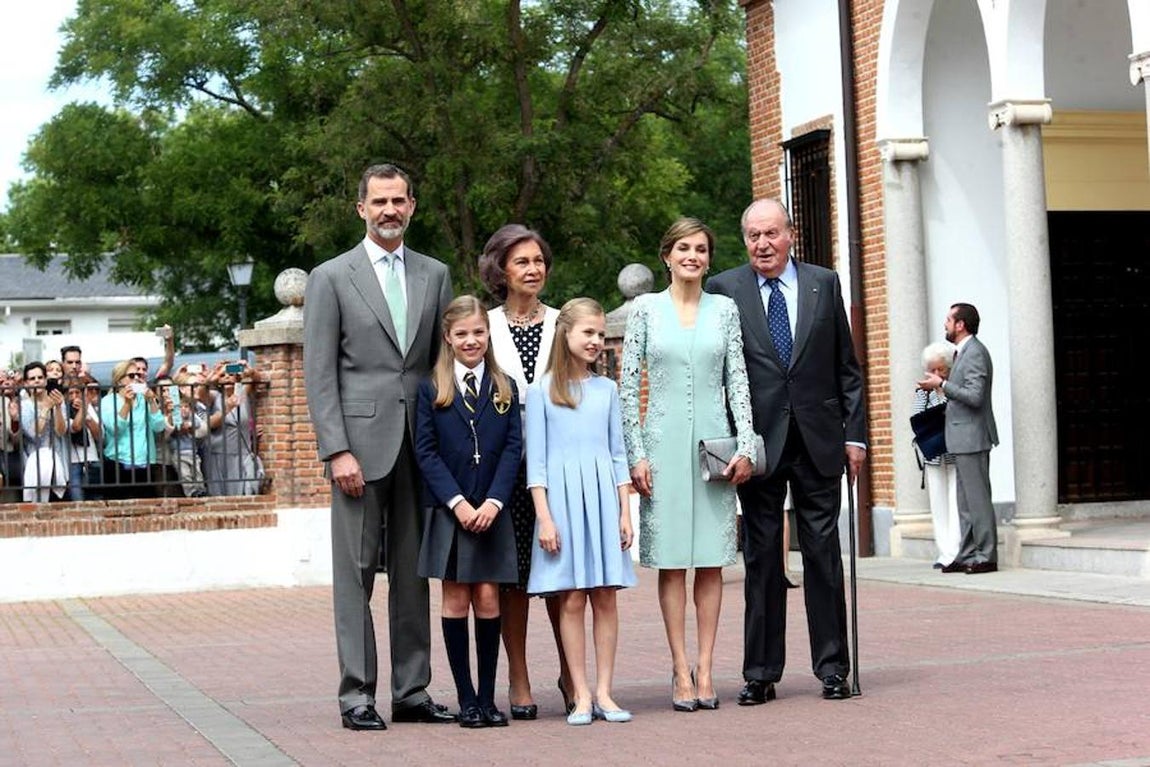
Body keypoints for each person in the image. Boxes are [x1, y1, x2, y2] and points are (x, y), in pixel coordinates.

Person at [303, 163, 454, 731]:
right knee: (356, 575)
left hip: (421, 445)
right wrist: (336, 449)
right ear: (361, 208)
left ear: (412, 205)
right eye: (379, 201)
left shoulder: (435, 273)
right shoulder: (331, 277)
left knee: (414, 575)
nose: (389, 210)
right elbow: (319, 372)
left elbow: (441, 360)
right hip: (358, 450)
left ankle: (412, 691)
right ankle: (357, 695)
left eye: (399, 200)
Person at [705, 198, 866, 703]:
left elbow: (847, 367)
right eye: (753, 235)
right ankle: (760, 671)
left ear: (791, 234)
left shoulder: (825, 283)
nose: (762, 244)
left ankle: (833, 668)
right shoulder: (724, 289)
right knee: (762, 559)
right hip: (759, 445)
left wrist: (854, 435)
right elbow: (718, 375)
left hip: (819, 442)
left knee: (822, 555)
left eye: (771, 233)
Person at [620, 217, 756, 712]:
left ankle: (706, 665)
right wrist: (635, 453)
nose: (692, 256)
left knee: (712, 563)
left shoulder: (724, 310)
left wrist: (747, 445)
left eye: (700, 248)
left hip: (715, 446)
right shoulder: (644, 311)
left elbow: (737, 379)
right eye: (683, 248)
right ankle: (679, 667)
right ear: (666, 255)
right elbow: (628, 385)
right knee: (674, 563)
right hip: (662, 445)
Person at [525, 298, 636, 726]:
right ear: (565, 334)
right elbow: (536, 463)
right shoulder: (541, 392)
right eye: (587, 332)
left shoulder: (608, 390)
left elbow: (617, 455)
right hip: (563, 505)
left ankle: (606, 692)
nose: (595, 340)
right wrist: (545, 517)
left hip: (603, 502)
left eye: (599, 333)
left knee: (605, 595)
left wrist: (625, 512)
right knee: (571, 597)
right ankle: (582, 694)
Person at [414, 296, 522, 729]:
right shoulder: (431, 387)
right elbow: (426, 452)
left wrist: (494, 502)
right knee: (457, 597)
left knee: (490, 597)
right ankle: (465, 699)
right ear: (448, 338)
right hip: (450, 510)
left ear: (488, 333)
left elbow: (513, 448)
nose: (471, 340)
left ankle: (488, 696)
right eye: (462, 334)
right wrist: (457, 503)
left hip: (491, 511)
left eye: (478, 332)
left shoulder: (505, 385)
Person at [478, 223, 572, 718]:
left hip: (560, 465)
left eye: (538, 260)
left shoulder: (562, 323)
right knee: (513, 578)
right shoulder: (485, 326)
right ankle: (518, 677)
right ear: (501, 270)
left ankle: (571, 670)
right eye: (522, 262)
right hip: (507, 468)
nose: (533, 269)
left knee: (561, 574)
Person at [917, 303, 998, 574]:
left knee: (977, 500)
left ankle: (986, 555)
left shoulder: (975, 352)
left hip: (973, 436)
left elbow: (975, 396)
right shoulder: (961, 352)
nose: (945, 325)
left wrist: (941, 385)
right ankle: (965, 554)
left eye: (949, 320)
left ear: (960, 324)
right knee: (964, 503)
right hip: (961, 437)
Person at [913, 341, 960, 568]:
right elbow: (917, 417)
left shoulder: (952, 387)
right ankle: (944, 552)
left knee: (954, 501)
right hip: (933, 454)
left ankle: (955, 551)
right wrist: (927, 392)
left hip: (953, 451)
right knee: (938, 503)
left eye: (941, 369)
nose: (936, 373)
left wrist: (941, 388)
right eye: (932, 369)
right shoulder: (922, 390)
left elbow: (953, 411)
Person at [100, 359, 166, 499]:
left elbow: (159, 426)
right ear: (119, 381)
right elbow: (115, 429)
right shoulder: (108, 401)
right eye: (131, 376)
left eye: (138, 375)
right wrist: (127, 405)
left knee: (146, 509)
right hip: (118, 462)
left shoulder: (143, 399)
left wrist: (151, 401)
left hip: (144, 462)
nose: (136, 378)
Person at [20, 362, 69, 502]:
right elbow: (33, 433)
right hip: (34, 463)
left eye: (40, 377)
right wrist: (46, 409)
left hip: (57, 460)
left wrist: (58, 407)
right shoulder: (24, 405)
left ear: (45, 380)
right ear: (26, 383)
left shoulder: (57, 400)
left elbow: (61, 431)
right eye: (32, 378)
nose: (37, 381)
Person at [65, 374, 104, 501]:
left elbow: (99, 435)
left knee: (96, 501)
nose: (74, 397)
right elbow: (75, 427)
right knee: (78, 502)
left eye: (77, 392)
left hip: (92, 460)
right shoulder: (63, 410)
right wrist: (82, 410)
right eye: (71, 393)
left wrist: (86, 413)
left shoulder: (88, 407)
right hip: (73, 462)